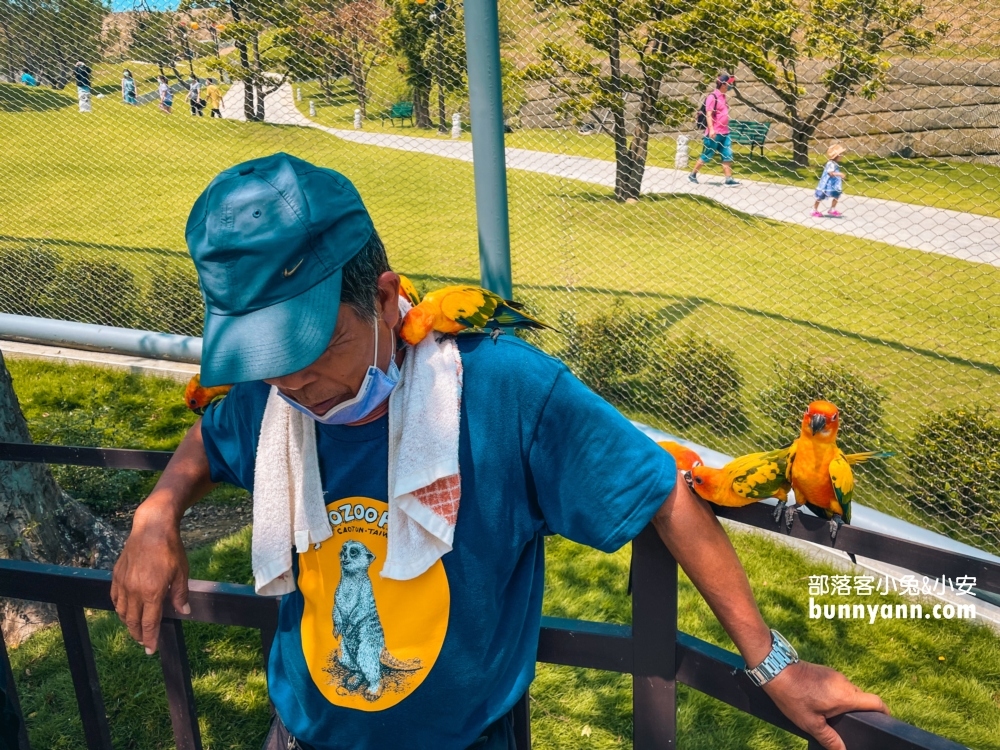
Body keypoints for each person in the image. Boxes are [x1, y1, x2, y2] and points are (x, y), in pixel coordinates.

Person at [110, 153, 889, 750]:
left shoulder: (503, 390)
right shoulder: (273, 395)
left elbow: (662, 493)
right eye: (262, 359)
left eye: (315, 345)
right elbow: (213, 437)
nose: (292, 383)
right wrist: (156, 513)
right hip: (304, 733)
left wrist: (773, 661)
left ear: (383, 299)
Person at [689, 73, 738, 186]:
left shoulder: (723, 96)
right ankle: (692, 175)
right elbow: (709, 114)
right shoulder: (712, 97)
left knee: (728, 154)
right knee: (707, 155)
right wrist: (711, 130)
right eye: (729, 83)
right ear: (723, 84)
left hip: (725, 132)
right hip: (714, 133)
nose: (731, 85)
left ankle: (728, 179)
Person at [813, 144, 847, 217]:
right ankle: (814, 210)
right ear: (836, 156)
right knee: (820, 196)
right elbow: (830, 173)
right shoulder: (830, 163)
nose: (842, 156)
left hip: (833, 184)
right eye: (840, 154)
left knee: (836, 195)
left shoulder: (834, 163)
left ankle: (832, 209)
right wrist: (840, 174)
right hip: (826, 184)